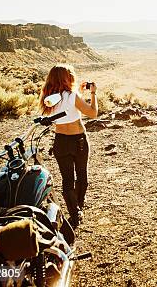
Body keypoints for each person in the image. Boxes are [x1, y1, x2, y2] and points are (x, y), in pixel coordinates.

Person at [39, 64, 98, 228]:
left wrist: (77, 92)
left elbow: (65, 106)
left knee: (67, 180)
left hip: (61, 141)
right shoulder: (71, 96)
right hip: (78, 141)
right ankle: (79, 207)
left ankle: (75, 212)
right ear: (67, 78)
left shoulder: (49, 97)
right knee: (82, 176)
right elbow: (92, 113)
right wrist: (93, 93)